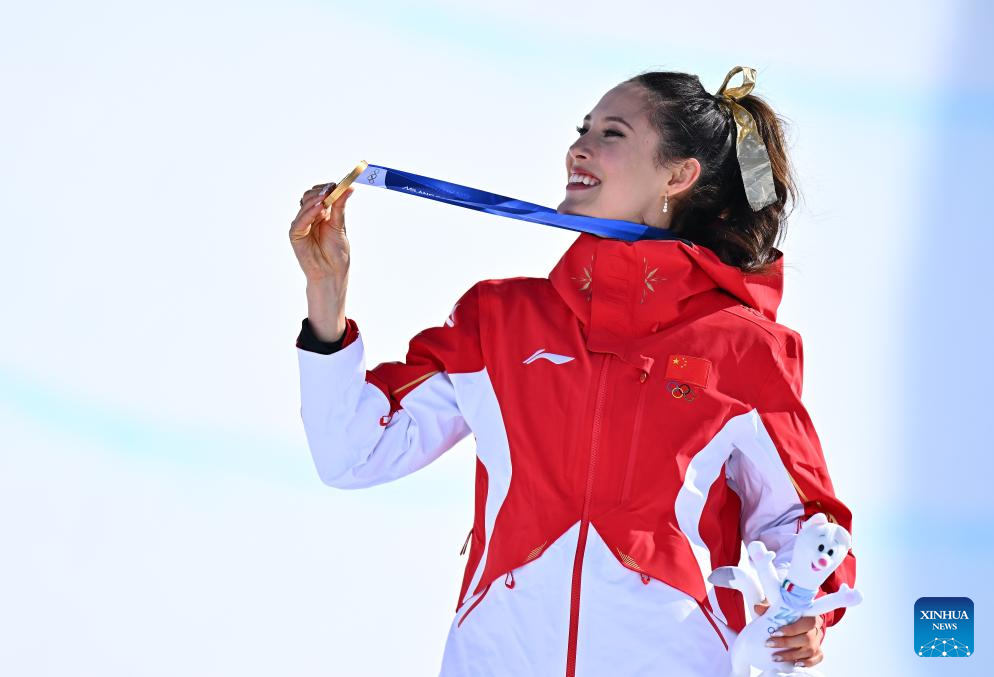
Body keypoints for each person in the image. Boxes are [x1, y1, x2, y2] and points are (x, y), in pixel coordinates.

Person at [287, 67, 857, 676]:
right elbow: (353, 454)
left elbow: (802, 522)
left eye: (612, 134)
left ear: (678, 175)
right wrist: (326, 292)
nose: (578, 148)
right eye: (582, 130)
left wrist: (803, 610)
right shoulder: (499, 321)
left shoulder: (743, 348)